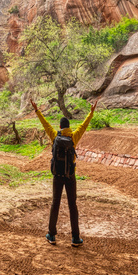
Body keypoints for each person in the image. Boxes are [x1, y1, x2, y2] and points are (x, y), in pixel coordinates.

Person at [31, 98, 97, 247]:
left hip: (57, 176)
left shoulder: (55, 136)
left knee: (55, 203)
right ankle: (75, 238)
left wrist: (37, 110)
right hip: (70, 176)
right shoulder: (74, 136)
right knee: (72, 205)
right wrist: (91, 112)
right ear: (69, 127)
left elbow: (45, 124)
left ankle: (52, 235)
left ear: (60, 127)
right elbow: (84, 125)